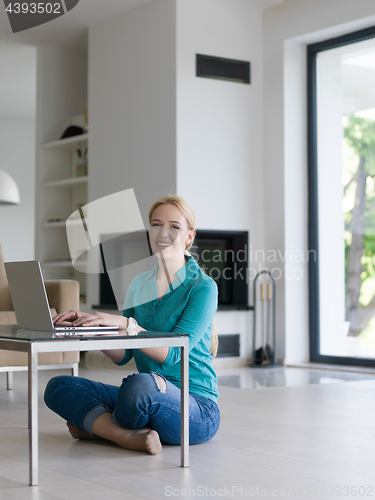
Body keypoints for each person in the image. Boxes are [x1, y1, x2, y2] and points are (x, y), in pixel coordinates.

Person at [44, 195, 220, 455]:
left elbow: (173, 354)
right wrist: (91, 327)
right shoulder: (140, 283)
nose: (163, 233)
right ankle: (125, 435)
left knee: (140, 386)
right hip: (146, 392)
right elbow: (123, 354)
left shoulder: (203, 287)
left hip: (194, 406)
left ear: (189, 237)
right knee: (59, 386)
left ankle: (99, 427)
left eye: (174, 226)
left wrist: (128, 324)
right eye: (156, 224)